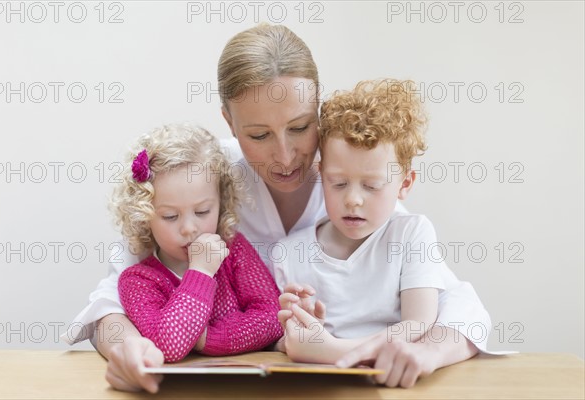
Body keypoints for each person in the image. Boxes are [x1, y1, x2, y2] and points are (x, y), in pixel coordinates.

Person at [62, 24, 489, 392]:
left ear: (319, 112)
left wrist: (427, 351)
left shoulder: (347, 178)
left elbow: (458, 303)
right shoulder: (204, 179)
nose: (285, 156)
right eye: (259, 135)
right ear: (229, 122)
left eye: (300, 128)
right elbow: (110, 299)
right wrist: (124, 348)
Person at [275, 79, 448, 382]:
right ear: (321, 175)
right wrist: (296, 322)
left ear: (404, 184)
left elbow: (418, 323)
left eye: (371, 186)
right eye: (338, 183)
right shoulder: (289, 253)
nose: (353, 199)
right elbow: (286, 345)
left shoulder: (411, 234)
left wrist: (332, 351)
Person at [111, 124, 282, 363]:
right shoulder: (139, 281)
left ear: (220, 202)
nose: (189, 228)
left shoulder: (234, 250)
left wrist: (206, 338)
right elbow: (169, 346)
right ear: (144, 216)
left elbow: (273, 318)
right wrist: (200, 272)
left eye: (202, 211)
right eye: (170, 216)